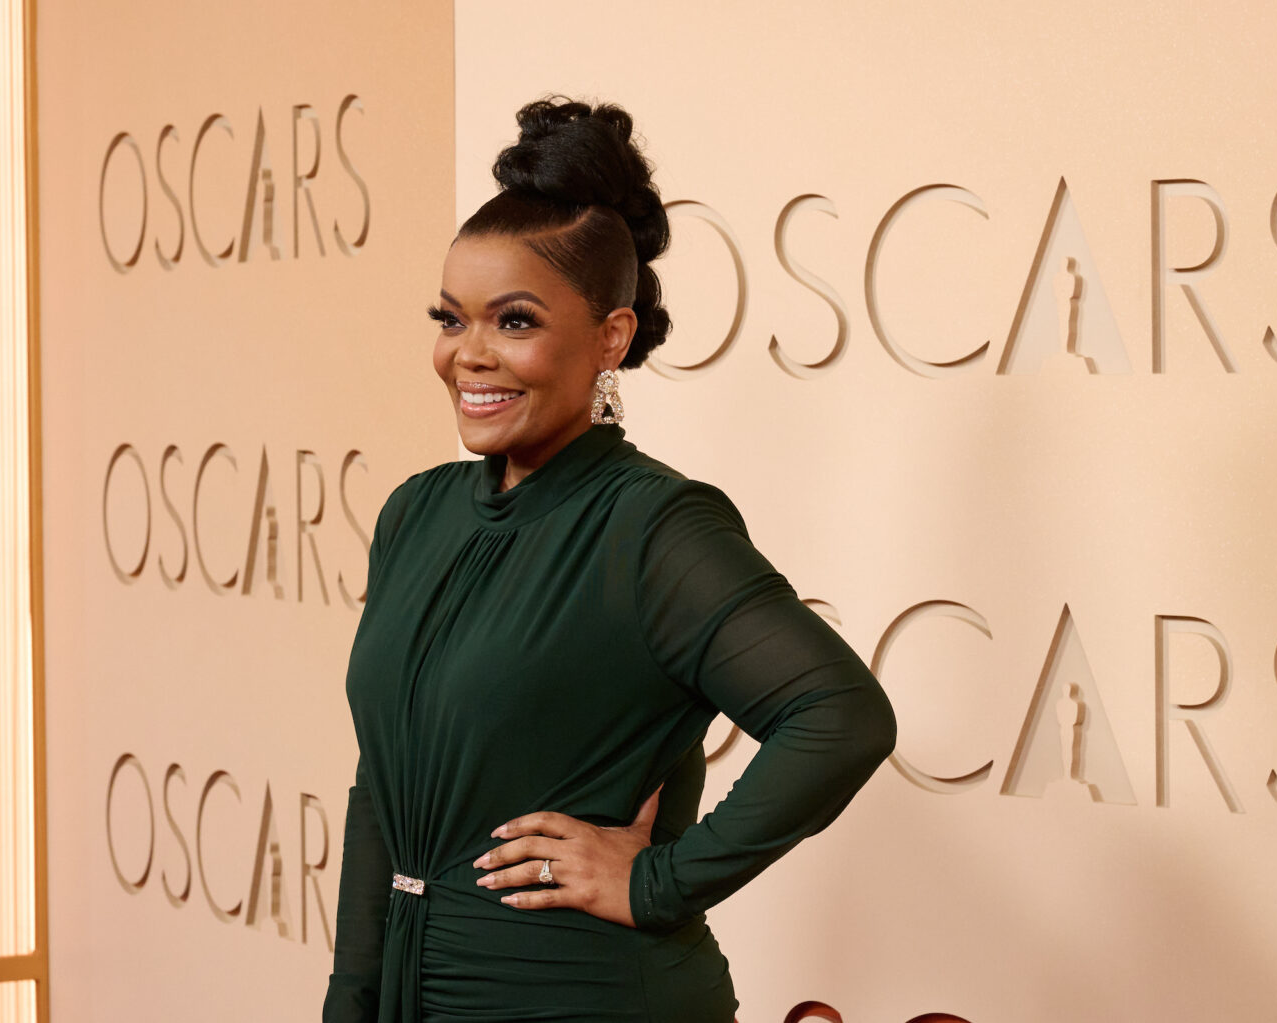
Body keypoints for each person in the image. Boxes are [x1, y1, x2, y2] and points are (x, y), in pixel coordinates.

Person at [321, 96, 897, 1023]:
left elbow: (841, 714)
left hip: (588, 996)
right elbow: (379, 787)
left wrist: (659, 882)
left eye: (514, 322)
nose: (470, 355)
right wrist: (350, 998)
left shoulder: (654, 528)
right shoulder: (414, 513)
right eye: (451, 319)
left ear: (611, 338)